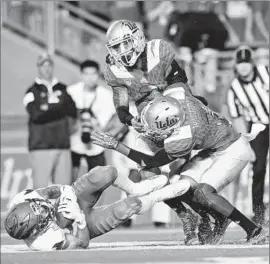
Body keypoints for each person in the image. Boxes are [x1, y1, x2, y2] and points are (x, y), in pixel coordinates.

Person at [91, 84, 268, 245]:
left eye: (157, 129)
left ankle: (252, 229)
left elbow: (151, 161)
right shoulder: (178, 99)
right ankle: (217, 217)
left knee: (202, 192)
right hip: (212, 149)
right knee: (186, 189)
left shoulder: (185, 136)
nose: (152, 133)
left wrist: (116, 145)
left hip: (233, 149)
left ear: (173, 126)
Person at [104, 19, 207, 244]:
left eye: (125, 44)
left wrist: (172, 112)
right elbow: (120, 103)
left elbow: (180, 83)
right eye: (116, 47)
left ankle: (209, 215)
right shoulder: (114, 68)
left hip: (177, 116)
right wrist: (132, 120)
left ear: (138, 39)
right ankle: (186, 217)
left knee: (183, 176)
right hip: (150, 126)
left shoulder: (157, 50)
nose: (121, 52)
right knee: (150, 179)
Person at [4, 165, 190, 250]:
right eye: (42, 213)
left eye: (40, 206)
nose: (44, 208)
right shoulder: (43, 242)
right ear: (37, 229)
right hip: (80, 226)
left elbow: (50, 191)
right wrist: (80, 219)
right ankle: (159, 195)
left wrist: (63, 190)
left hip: (69, 203)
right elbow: (81, 244)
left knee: (103, 173)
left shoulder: (24, 198)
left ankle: (137, 187)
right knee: (128, 207)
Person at [226, 45, 269, 225]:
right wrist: (247, 143)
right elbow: (237, 118)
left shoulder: (265, 72)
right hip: (258, 126)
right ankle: (258, 213)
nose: (243, 66)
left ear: (252, 63)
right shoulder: (234, 88)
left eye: (246, 62)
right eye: (240, 63)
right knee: (258, 169)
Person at [23, 52, 77, 188]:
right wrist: (59, 107)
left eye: (49, 65)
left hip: (62, 144)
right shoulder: (31, 91)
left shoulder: (63, 88)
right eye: (43, 65)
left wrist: (47, 108)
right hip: (41, 146)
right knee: (40, 190)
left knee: (64, 191)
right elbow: (36, 115)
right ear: (38, 67)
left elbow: (72, 110)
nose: (47, 68)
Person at [67, 60, 115, 182]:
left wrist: (95, 123)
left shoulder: (106, 95)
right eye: (86, 74)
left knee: (99, 183)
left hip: (96, 145)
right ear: (81, 75)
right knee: (69, 183)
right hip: (74, 143)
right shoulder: (71, 92)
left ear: (98, 75)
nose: (89, 78)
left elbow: (108, 124)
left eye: (93, 74)